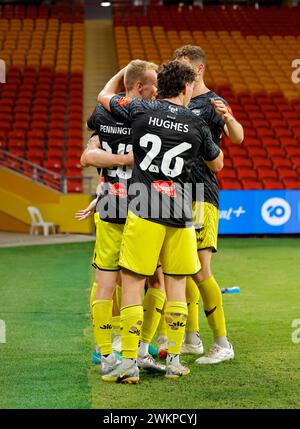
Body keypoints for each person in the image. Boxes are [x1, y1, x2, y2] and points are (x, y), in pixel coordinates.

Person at [98, 60, 224, 383]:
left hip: (143, 207)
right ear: (185, 89)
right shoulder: (197, 124)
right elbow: (218, 162)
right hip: (181, 211)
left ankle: (128, 363)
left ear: (161, 87)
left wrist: (123, 71)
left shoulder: (140, 109)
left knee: (132, 284)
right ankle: (175, 361)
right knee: (176, 286)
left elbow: (103, 97)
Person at [81, 60, 166, 375]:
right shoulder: (151, 115)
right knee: (152, 280)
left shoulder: (102, 115)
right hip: (143, 208)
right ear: (141, 87)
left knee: (105, 283)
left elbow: (89, 153)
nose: (158, 91)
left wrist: (123, 71)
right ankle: (140, 350)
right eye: (154, 85)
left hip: (109, 205)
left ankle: (107, 355)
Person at [173, 45, 244, 363]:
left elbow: (238, 137)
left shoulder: (213, 102)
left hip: (203, 193)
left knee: (201, 270)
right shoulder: (177, 102)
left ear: (198, 69)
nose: (179, 71)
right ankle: (191, 339)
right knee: (182, 271)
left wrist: (229, 118)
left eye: (183, 66)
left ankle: (223, 344)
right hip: (177, 193)